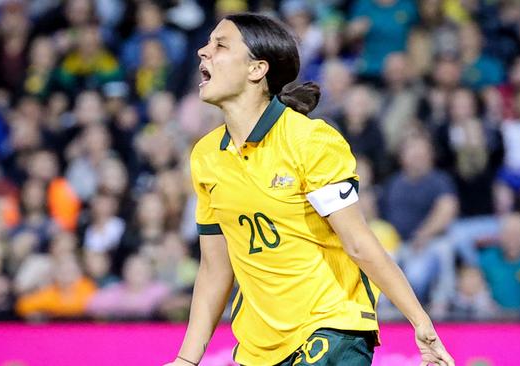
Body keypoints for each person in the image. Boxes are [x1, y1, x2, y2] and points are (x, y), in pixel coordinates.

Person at [165, 13, 453, 366]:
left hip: (332, 329)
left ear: (257, 69)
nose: (202, 52)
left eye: (219, 45)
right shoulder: (206, 156)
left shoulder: (310, 140)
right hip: (260, 347)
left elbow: (358, 242)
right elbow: (214, 268)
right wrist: (186, 359)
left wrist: (421, 322)